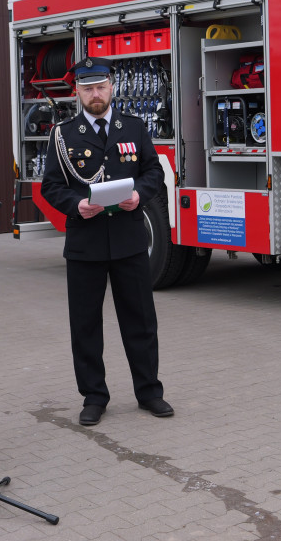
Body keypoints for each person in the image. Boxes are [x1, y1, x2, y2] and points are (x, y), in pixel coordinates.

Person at [41, 57, 172, 426]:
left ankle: (149, 392)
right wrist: (76, 204)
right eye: (87, 88)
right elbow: (51, 185)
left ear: (111, 87)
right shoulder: (63, 135)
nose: (95, 94)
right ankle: (94, 396)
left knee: (141, 321)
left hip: (130, 240)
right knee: (85, 325)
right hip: (86, 243)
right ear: (77, 92)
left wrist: (140, 197)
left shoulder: (132, 127)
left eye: (100, 87)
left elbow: (152, 172)